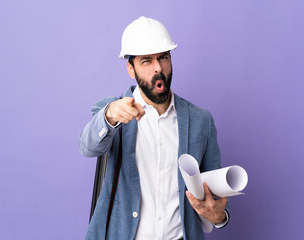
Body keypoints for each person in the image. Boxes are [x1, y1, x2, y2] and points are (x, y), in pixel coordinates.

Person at [79, 16, 229, 240]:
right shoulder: (113, 110)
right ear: (131, 69)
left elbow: (215, 196)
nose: (158, 68)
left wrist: (220, 217)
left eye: (163, 57)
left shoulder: (201, 120)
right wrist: (109, 117)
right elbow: (88, 146)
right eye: (146, 61)